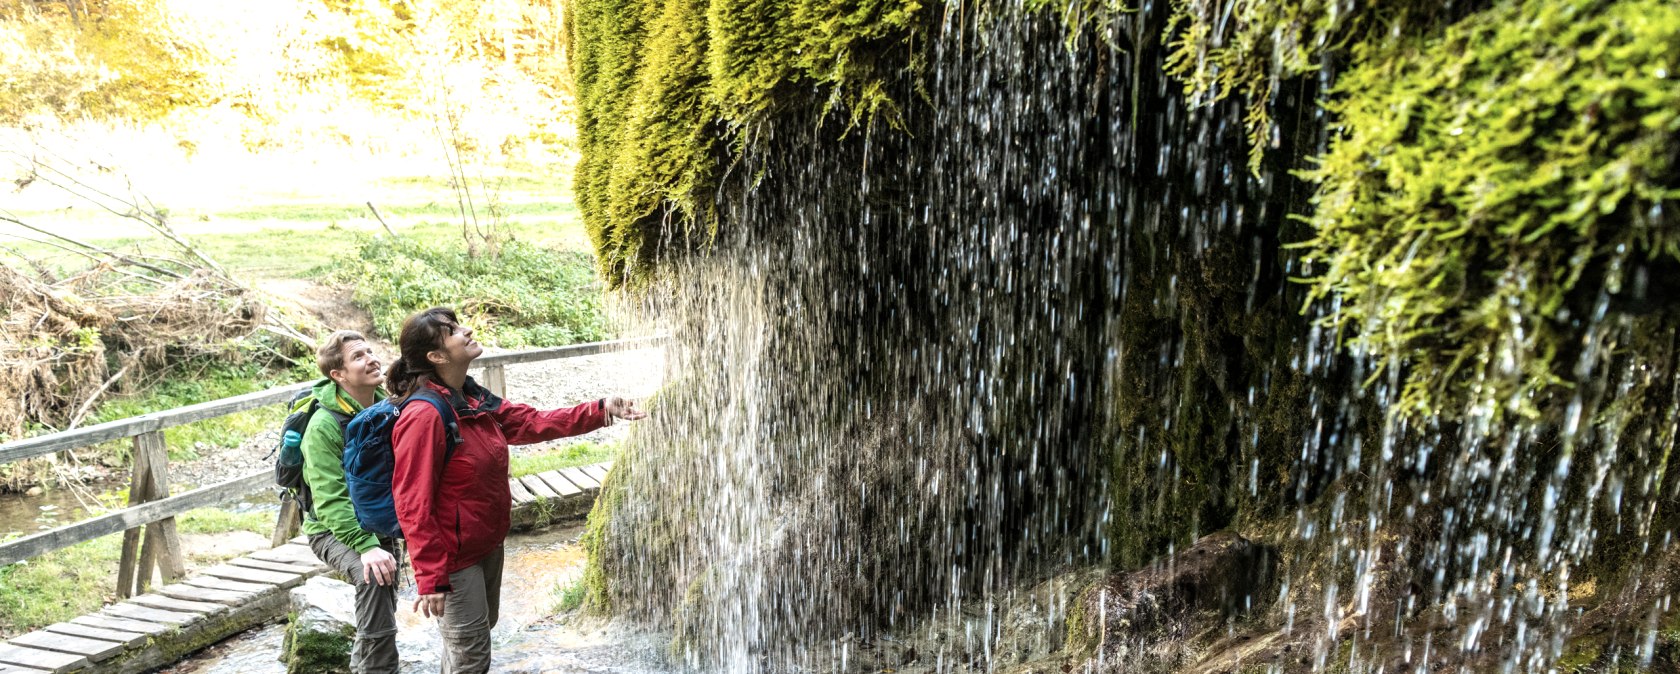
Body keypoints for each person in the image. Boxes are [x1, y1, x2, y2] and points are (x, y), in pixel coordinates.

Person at [384, 307, 645, 673]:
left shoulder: (470, 397)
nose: (467, 330)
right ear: (436, 356)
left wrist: (601, 409)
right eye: (453, 331)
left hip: (487, 541)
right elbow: (412, 502)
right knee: (470, 656)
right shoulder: (424, 416)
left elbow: (532, 422)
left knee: (473, 641)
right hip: (453, 558)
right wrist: (430, 577)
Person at [300, 330, 401, 674]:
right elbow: (329, 502)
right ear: (338, 375)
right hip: (332, 528)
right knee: (375, 577)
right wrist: (366, 545)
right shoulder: (324, 426)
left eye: (370, 351)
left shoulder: (388, 405)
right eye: (358, 356)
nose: (371, 359)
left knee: (384, 601)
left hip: (378, 520)